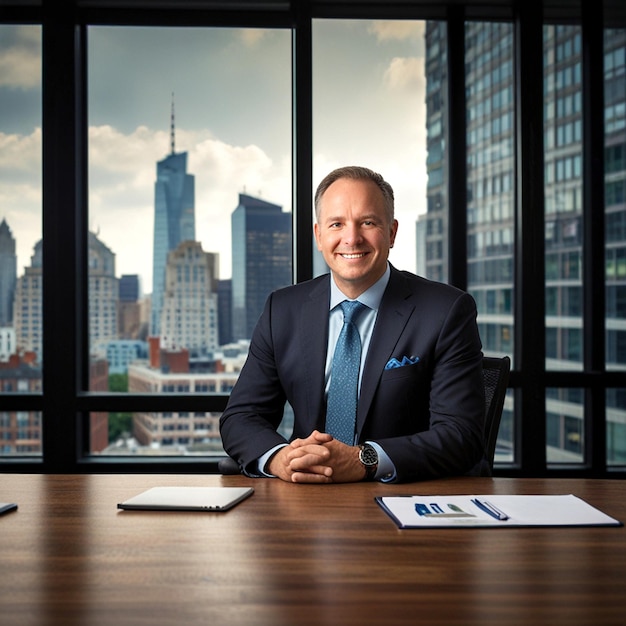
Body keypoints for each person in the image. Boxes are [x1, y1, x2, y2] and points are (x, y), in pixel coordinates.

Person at [219, 165, 487, 483]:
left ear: (391, 233)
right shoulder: (284, 309)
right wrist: (281, 459)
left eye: (368, 222)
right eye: (337, 224)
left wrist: (364, 460)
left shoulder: (444, 311)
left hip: (405, 498)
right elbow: (241, 416)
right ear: (319, 236)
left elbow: (461, 434)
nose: (351, 238)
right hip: (306, 495)